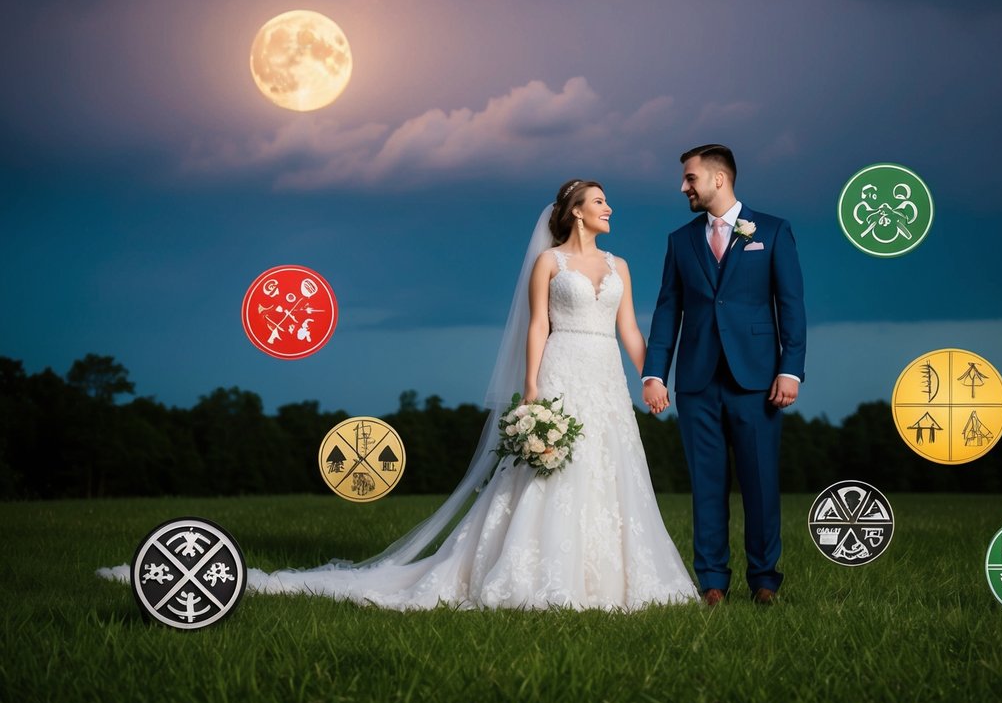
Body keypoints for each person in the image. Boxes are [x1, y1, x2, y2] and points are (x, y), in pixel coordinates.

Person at [98, 181, 697, 611]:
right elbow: (537, 325)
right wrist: (535, 389)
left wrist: (653, 376)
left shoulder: (618, 264)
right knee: (548, 473)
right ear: (573, 211)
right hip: (563, 368)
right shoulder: (549, 261)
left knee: (610, 469)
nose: (608, 208)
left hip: (605, 377)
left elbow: (630, 331)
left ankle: (617, 580)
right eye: (599, 201)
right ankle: (533, 573)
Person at [642, 144, 807, 606]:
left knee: (760, 484)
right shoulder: (680, 240)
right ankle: (712, 581)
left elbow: (791, 304)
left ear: (718, 179)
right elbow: (667, 309)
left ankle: (764, 582)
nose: (683, 187)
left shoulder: (773, 231)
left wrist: (790, 369)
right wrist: (654, 374)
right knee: (706, 487)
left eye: (689, 178)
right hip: (696, 382)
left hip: (757, 380)